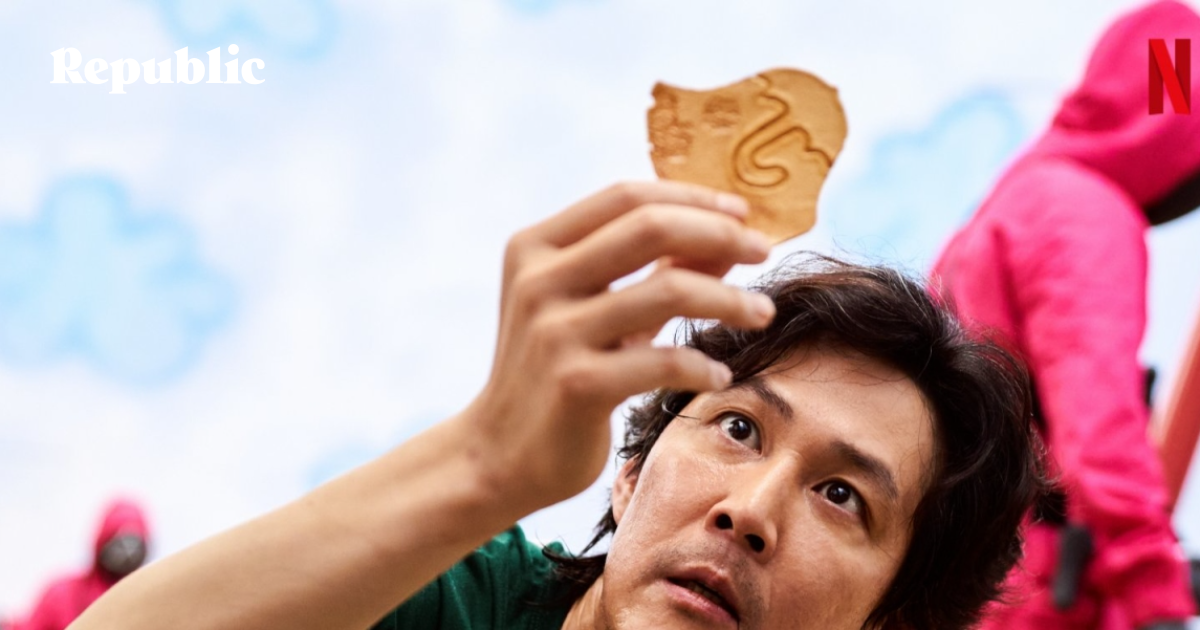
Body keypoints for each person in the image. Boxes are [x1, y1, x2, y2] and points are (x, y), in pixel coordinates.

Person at [72, 181, 1048, 630]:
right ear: (630, 473)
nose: (749, 512)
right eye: (739, 428)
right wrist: (484, 465)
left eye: (842, 496)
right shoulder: (452, 599)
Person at [931, 2, 1200, 629]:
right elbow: (1096, 416)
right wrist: (1150, 579)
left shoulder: (1013, 203)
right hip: (1036, 587)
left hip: (971, 572)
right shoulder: (1083, 214)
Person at [14, 498, 149, 630]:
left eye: (135, 546)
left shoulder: (144, 604)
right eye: (119, 544)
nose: (128, 554)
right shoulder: (63, 594)